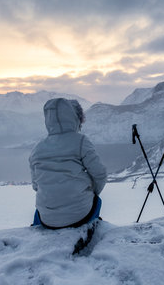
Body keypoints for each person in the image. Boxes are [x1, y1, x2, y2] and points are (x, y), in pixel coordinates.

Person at [29, 98, 107, 229]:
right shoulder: (81, 141)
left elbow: (36, 185)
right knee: (97, 201)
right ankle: (91, 228)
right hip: (80, 215)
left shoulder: (37, 148)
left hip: (47, 220)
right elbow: (100, 174)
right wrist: (93, 191)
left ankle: (38, 229)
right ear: (75, 118)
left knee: (40, 209)